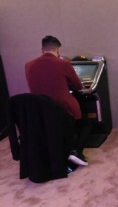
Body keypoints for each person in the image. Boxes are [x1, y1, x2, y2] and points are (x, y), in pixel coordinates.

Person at [24, 35, 90, 167]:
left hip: (40, 111)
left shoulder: (28, 65)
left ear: (42, 50)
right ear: (58, 50)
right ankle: (76, 151)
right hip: (63, 109)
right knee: (86, 123)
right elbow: (77, 86)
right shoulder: (64, 64)